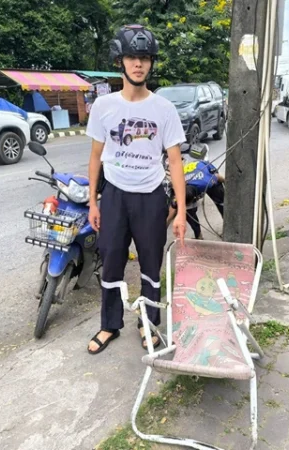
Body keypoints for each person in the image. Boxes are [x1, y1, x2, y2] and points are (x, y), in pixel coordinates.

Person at [85, 24, 187, 355]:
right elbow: (96, 157)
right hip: (114, 196)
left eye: (144, 58)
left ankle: (149, 323)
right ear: (121, 61)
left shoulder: (164, 109)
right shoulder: (103, 106)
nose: (138, 64)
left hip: (151, 198)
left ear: (151, 62)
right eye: (132, 57)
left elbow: (175, 161)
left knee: (150, 263)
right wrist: (93, 202)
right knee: (112, 259)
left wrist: (181, 211)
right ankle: (109, 324)